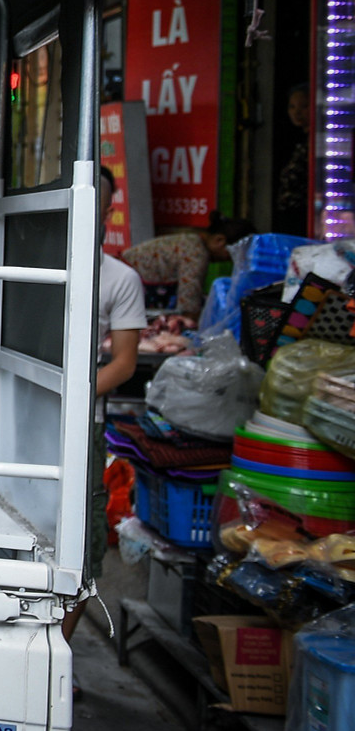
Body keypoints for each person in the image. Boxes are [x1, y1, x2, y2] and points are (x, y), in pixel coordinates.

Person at [68, 165, 147, 646]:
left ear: (107, 211)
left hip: (82, 428)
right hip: (21, 421)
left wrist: (70, 396)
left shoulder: (121, 279)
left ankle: (53, 661)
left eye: (99, 204)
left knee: (82, 548)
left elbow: (123, 365)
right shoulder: (30, 261)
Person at [121, 215, 252, 318]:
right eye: (230, 255)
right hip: (128, 288)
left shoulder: (192, 241)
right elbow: (189, 304)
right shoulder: (197, 253)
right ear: (219, 241)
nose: (228, 260)